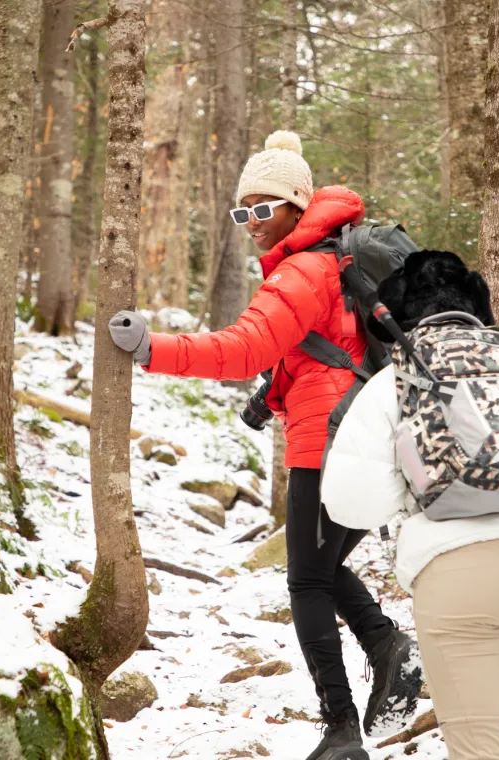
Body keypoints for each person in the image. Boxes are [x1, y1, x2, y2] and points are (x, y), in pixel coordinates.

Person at [107, 130, 423, 760]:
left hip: (327, 445)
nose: (250, 222)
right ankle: (389, 648)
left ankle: (341, 730)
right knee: (325, 568)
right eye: (240, 211)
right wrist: (270, 396)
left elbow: (242, 347)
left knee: (306, 582)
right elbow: (326, 351)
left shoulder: (301, 269)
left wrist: (152, 349)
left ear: (297, 207)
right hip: (367, 440)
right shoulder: (330, 261)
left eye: (262, 208)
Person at [320, 251, 499, 760]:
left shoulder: (398, 380)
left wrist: (417, 484)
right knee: (481, 726)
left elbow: (350, 505)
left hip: (459, 583)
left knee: (478, 748)